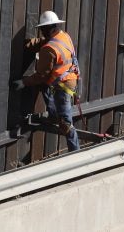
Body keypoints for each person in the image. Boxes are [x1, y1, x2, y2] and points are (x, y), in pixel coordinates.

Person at [23, 10, 81, 152]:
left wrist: (24, 82)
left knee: (66, 123)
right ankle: (54, 116)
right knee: (45, 87)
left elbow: (41, 75)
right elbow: (44, 42)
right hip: (70, 77)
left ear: (47, 28)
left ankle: (76, 152)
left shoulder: (48, 49)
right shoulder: (63, 36)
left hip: (62, 85)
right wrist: (29, 44)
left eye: (42, 29)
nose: (41, 32)